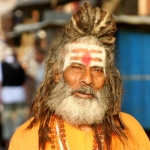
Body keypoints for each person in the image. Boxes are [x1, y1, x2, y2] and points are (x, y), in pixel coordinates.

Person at [8, 2, 150, 150]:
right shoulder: (27, 138)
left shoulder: (129, 130)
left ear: (107, 79)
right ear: (57, 74)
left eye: (97, 70)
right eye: (76, 67)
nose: (87, 79)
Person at [0, 47, 28, 149]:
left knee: (7, 119)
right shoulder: (19, 65)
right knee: (19, 118)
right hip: (20, 94)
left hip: (7, 95)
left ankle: (8, 141)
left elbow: (0, 81)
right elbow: (24, 82)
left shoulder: (2, 65)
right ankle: (18, 137)